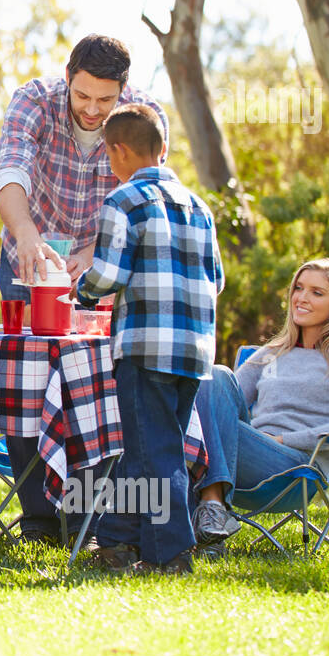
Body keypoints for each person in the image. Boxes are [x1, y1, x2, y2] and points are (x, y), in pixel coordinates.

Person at [0, 33, 171, 545]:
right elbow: (10, 168)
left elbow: (151, 196)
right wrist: (25, 232)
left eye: (105, 100)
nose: (92, 110)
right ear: (67, 77)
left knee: (101, 383)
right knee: (24, 380)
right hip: (30, 258)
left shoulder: (145, 115)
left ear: (124, 91)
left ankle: (93, 517)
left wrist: (95, 255)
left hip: (106, 262)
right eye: (83, 95)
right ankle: (39, 518)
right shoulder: (35, 100)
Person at [74, 104, 223, 574]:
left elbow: (109, 274)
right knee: (149, 447)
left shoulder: (123, 201)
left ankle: (170, 555)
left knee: (157, 453)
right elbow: (216, 279)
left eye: (107, 155)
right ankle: (117, 540)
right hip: (194, 349)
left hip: (144, 348)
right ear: (162, 148)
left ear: (118, 151)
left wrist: (78, 290)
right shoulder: (199, 206)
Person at [189, 258, 329, 547]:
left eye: (317, 292)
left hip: (298, 469)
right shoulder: (271, 354)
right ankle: (210, 514)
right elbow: (219, 401)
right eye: (298, 288)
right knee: (213, 377)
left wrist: (282, 438)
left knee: (210, 388)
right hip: (244, 460)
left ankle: (207, 512)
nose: (302, 298)